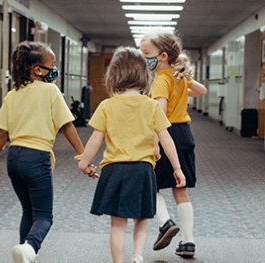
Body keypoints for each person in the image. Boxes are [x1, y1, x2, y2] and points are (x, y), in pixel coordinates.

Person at [0, 41, 95, 263]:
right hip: (37, 157)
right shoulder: (51, 90)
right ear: (38, 70)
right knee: (44, 216)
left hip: (14, 158)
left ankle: (25, 255)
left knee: (28, 211)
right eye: (52, 64)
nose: (55, 69)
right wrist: (84, 156)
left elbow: (1, 134)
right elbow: (67, 126)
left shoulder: (13, 94)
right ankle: (30, 248)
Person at [78, 46, 186, 263]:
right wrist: (177, 167)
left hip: (114, 170)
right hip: (142, 170)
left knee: (118, 223)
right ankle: (137, 256)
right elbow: (166, 139)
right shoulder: (151, 106)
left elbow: (95, 139)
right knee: (142, 218)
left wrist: (84, 162)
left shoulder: (107, 105)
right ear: (143, 74)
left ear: (114, 74)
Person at [139, 29, 207, 258]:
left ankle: (165, 222)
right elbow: (202, 90)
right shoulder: (178, 78)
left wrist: (155, 144)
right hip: (185, 134)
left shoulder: (160, 81)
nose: (143, 56)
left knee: (151, 183)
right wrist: (185, 78)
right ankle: (188, 242)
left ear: (163, 56)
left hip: (166, 134)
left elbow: (160, 114)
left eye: (147, 52)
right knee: (180, 190)